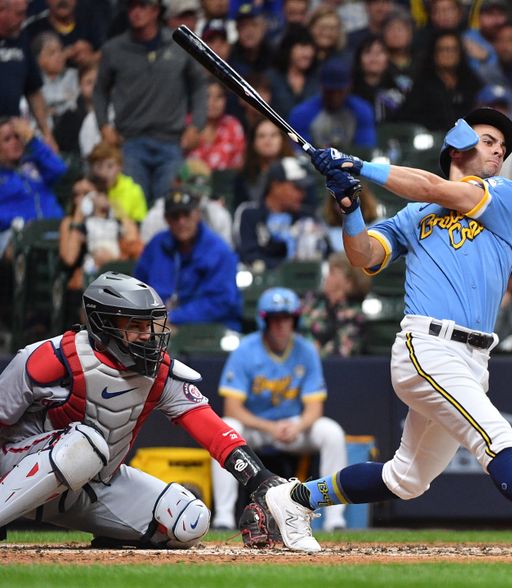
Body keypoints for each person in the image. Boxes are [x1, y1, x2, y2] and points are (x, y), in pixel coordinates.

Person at [253, 107, 512, 553]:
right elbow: (363, 257)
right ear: (458, 145)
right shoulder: (412, 215)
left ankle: (293, 498)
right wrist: (349, 206)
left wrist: (357, 165)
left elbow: (436, 187)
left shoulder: (505, 195)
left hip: (475, 357)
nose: (499, 149)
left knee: (407, 478)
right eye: (489, 139)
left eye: (503, 145)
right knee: (495, 438)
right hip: (427, 347)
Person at [0, 272, 290, 548]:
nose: (147, 335)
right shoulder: (51, 358)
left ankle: (114, 531)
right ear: (104, 323)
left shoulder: (159, 372)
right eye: (135, 326)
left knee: (190, 522)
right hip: (16, 473)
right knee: (86, 443)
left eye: (150, 326)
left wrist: (261, 479)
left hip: (92, 487)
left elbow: (211, 429)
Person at [210, 287, 349, 531]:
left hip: (293, 427)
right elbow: (232, 408)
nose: (281, 325)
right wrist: (270, 427)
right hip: (257, 428)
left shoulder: (305, 350)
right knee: (227, 428)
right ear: (264, 321)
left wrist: (298, 426)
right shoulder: (246, 350)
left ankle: (335, 519)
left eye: (286, 318)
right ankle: (223, 516)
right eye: (275, 319)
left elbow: (314, 407)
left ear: (294, 320)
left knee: (332, 432)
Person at [93, 0, 208, 203]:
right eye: (131, 7)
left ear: (155, 10)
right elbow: (100, 91)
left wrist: (196, 126)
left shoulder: (180, 44)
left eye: (142, 6)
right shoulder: (114, 49)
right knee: (134, 204)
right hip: (130, 141)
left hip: (172, 140)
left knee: (171, 204)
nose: (135, 12)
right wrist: (103, 125)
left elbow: (199, 86)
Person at [135, 190, 242, 331]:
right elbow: (138, 287)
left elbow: (221, 302)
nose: (181, 222)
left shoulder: (218, 250)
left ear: (197, 215)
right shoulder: (156, 245)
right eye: (175, 216)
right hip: (157, 326)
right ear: (167, 219)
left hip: (208, 329)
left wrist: (173, 317)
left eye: (186, 215)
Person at [58, 176, 143, 324]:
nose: (80, 199)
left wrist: (117, 210)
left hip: (116, 277)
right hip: (85, 283)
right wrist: (79, 217)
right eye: (76, 195)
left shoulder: (116, 221)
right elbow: (69, 258)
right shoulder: (71, 223)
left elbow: (134, 244)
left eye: (86, 194)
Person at [235, 156, 323, 269]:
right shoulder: (249, 214)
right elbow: (249, 256)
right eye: (297, 187)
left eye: (303, 189)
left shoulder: (307, 218)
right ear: (276, 185)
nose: (302, 194)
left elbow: (323, 255)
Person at [0, 116, 65, 255]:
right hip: (18, 236)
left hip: (54, 229)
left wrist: (32, 140)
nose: (15, 142)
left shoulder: (35, 163)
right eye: (7, 139)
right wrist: (17, 220)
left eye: (18, 136)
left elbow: (60, 170)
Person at [0, 0, 55, 148]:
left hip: (11, 134)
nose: (24, 18)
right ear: (1, 10)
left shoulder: (22, 39)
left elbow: (33, 90)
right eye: (19, 13)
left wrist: (46, 133)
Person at [289, 57, 377, 149]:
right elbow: (300, 153)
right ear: (321, 87)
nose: (335, 96)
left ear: (349, 87)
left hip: (353, 161)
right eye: (330, 91)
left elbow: (365, 150)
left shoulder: (362, 111)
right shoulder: (301, 114)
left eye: (339, 91)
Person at [300, 251, 371, 357]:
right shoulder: (312, 300)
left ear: (348, 283)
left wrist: (312, 353)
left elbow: (342, 353)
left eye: (332, 273)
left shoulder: (355, 317)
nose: (326, 278)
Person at [188, 79, 246, 172]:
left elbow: (238, 167)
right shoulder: (187, 123)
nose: (212, 102)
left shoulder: (233, 126)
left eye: (219, 96)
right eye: (207, 96)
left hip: (224, 183)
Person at [87, 141, 148, 223]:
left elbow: (138, 226)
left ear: (120, 166)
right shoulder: (87, 189)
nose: (104, 173)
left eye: (110, 166)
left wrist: (110, 206)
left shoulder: (134, 190)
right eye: (99, 166)